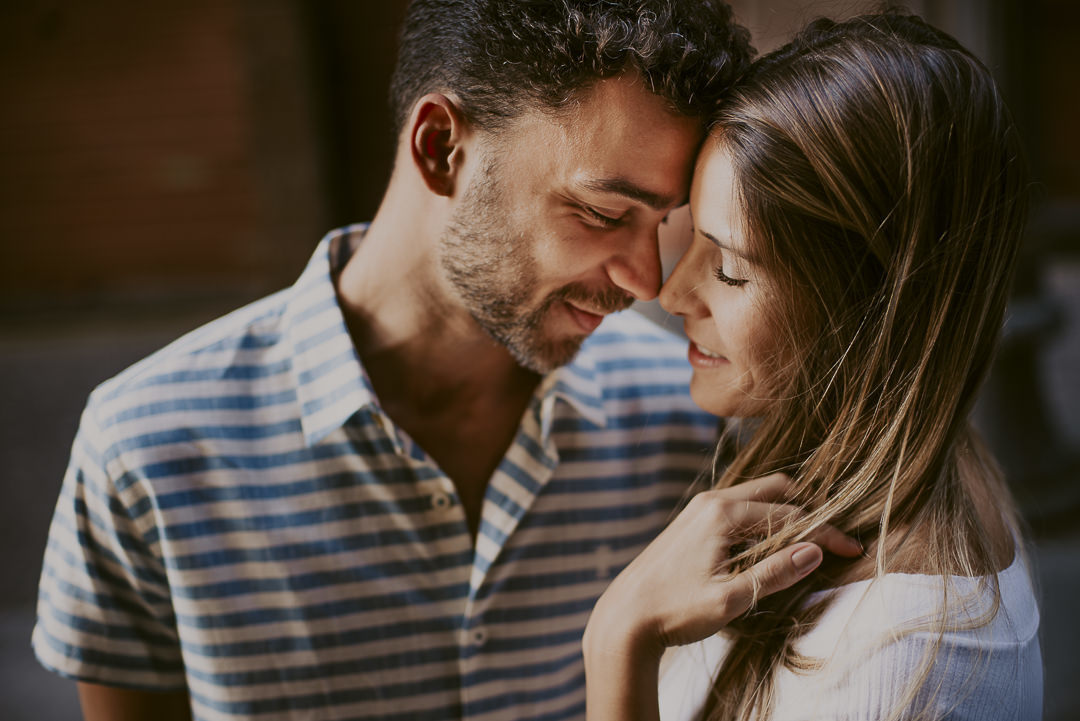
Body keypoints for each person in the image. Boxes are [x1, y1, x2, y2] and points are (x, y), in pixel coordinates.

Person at [32, 2, 754, 719]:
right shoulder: (143, 450)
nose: (643, 279)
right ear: (440, 147)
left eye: (661, 221)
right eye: (601, 213)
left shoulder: (685, 421)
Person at [583, 12, 1041, 721]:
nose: (672, 293)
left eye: (730, 269)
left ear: (870, 302)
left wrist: (618, 642)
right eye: (692, 240)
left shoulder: (899, 671)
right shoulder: (895, 462)